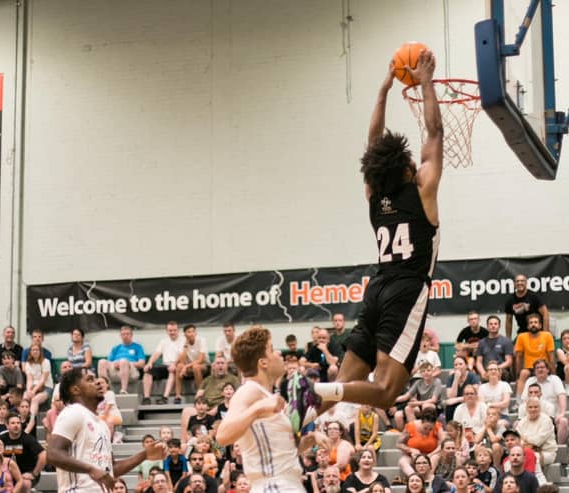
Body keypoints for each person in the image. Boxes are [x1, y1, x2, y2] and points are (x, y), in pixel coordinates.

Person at [311, 50, 443, 413]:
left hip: (377, 288)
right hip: (406, 288)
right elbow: (435, 131)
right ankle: (315, 394)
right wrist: (427, 80)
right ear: (406, 169)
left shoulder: (374, 194)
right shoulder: (422, 190)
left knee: (339, 386)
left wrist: (384, 90)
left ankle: (294, 419)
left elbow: (373, 143)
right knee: (386, 393)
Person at [216, 326, 327, 493]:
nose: (279, 354)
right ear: (263, 362)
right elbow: (223, 436)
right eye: (272, 349)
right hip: (273, 486)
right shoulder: (249, 390)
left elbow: (278, 454)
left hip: (286, 484)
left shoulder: (267, 395)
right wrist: (257, 409)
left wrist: (309, 440)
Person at [47, 367, 167, 493]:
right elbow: (52, 454)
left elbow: (111, 469)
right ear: (75, 389)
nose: (98, 382)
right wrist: (91, 469)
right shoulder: (72, 412)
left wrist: (144, 455)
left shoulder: (102, 425)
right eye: (90, 380)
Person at [520, 358, 569, 444]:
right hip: (533, 415)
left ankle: (559, 448)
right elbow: (524, 400)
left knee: (563, 421)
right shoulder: (530, 381)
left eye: (542, 367)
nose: (540, 369)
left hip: (553, 416)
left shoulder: (555, 379)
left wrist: (562, 413)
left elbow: (562, 396)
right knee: (517, 424)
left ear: (547, 369)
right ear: (534, 371)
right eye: (537, 368)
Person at [0, 413, 45, 491]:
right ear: (7, 426)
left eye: (18, 423)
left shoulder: (28, 439)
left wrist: (34, 474)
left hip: (26, 473)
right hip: (8, 473)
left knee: (24, 483)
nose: (16, 425)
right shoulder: (2, 439)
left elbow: (43, 455)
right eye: (13, 423)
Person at [143, 321, 184, 405]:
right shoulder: (163, 341)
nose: (172, 332)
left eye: (174, 330)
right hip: (164, 365)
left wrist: (174, 364)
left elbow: (182, 356)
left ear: (178, 330)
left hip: (175, 366)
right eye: (170, 330)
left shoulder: (183, 340)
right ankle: (146, 398)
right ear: (167, 331)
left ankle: (165, 398)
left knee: (172, 371)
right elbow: (156, 354)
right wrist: (149, 363)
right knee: (147, 372)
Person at [515, 314, 555, 400]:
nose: (533, 324)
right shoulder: (521, 337)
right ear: (528, 326)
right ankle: (518, 401)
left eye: (536, 322)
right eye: (531, 323)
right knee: (523, 373)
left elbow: (551, 356)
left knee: (551, 377)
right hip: (529, 367)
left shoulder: (547, 335)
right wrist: (517, 376)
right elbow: (518, 357)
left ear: (540, 325)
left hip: (544, 367)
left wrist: (553, 372)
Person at [98, 325, 146, 394]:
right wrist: (114, 364)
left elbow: (142, 364)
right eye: (123, 334)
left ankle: (123, 390)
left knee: (123, 361)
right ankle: (104, 390)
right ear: (120, 336)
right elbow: (109, 362)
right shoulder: (116, 348)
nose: (125, 336)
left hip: (131, 371)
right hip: (115, 371)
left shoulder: (138, 347)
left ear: (131, 335)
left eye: (127, 334)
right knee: (101, 362)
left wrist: (127, 363)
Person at [515, 398, 557, 467]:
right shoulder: (523, 421)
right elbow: (517, 439)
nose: (533, 409)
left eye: (536, 407)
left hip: (545, 453)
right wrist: (526, 443)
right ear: (526, 409)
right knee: (512, 458)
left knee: (528, 457)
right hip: (526, 450)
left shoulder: (546, 420)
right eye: (530, 407)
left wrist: (525, 438)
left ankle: (533, 477)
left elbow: (538, 441)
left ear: (540, 408)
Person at [505, 274, 549, 338]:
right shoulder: (510, 300)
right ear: (514, 284)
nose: (520, 283)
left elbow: (545, 313)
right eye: (517, 281)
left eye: (522, 281)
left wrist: (545, 334)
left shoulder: (534, 296)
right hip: (522, 332)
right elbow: (508, 321)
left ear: (526, 283)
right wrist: (508, 339)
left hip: (537, 331)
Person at [175, 325, 210, 402]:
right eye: (189, 332)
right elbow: (182, 361)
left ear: (196, 333)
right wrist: (185, 347)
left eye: (193, 331)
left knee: (196, 367)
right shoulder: (182, 343)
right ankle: (178, 395)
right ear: (185, 335)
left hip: (204, 366)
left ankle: (200, 394)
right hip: (190, 366)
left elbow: (201, 359)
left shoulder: (201, 340)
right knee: (179, 366)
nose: (191, 334)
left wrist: (186, 367)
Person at [475, 316, 514, 382]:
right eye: (491, 324)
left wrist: (495, 369)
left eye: (495, 324)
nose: (493, 326)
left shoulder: (506, 341)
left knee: (496, 373)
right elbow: (478, 362)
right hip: (486, 372)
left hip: (501, 372)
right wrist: (482, 372)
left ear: (499, 326)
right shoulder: (481, 342)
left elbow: (509, 361)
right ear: (487, 326)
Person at [23, 343, 53, 418]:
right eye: (33, 350)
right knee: (25, 398)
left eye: (37, 350)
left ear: (40, 351)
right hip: (33, 386)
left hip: (46, 387)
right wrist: (29, 390)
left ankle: (32, 421)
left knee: (35, 399)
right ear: (30, 352)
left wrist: (34, 391)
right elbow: (29, 379)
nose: (35, 351)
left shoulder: (46, 362)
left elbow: (43, 380)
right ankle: (23, 419)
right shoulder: (28, 364)